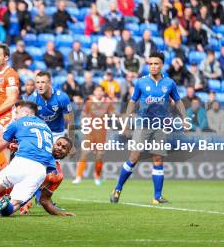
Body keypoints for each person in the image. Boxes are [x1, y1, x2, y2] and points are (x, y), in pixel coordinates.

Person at [111, 51, 187, 204]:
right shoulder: (141, 82)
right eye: (150, 63)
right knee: (134, 157)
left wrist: (184, 119)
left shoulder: (169, 83)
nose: (153, 66)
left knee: (158, 159)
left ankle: (157, 196)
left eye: (156, 64)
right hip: (143, 124)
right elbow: (132, 102)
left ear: (162, 65)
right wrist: (126, 123)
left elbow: (178, 101)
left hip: (160, 126)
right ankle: (118, 188)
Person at [74, 85, 115, 185]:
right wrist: (84, 124)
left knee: (99, 155)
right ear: (94, 92)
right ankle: (78, 177)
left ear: (103, 92)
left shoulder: (107, 103)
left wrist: (113, 122)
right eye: (97, 90)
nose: (99, 92)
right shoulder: (89, 102)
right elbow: (84, 115)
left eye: (101, 91)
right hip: (90, 132)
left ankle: (97, 177)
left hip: (102, 132)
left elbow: (113, 114)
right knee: (85, 154)